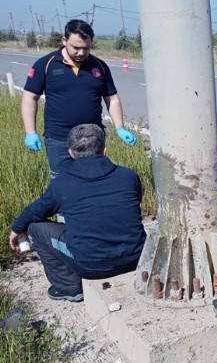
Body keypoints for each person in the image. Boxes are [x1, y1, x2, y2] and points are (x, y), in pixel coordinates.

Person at [8, 124, 146, 302]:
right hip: (137, 257)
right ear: (104, 150)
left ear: (71, 153)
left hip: (92, 266)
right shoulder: (128, 176)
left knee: (35, 228)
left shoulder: (63, 184)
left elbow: (36, 211)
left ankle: (69, 288)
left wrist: (17, 228)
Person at [22, 19, 137, 179]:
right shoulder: (46, 64)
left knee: (95, 181)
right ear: (64, 40)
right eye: (76, 47)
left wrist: (120, 128)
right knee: (62, 182)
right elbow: (30, 98)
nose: (81, 53)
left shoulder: (99, 66)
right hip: (59, 138)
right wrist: (30, 132)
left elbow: (112, 98)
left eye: (86, 48)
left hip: (93, 138)